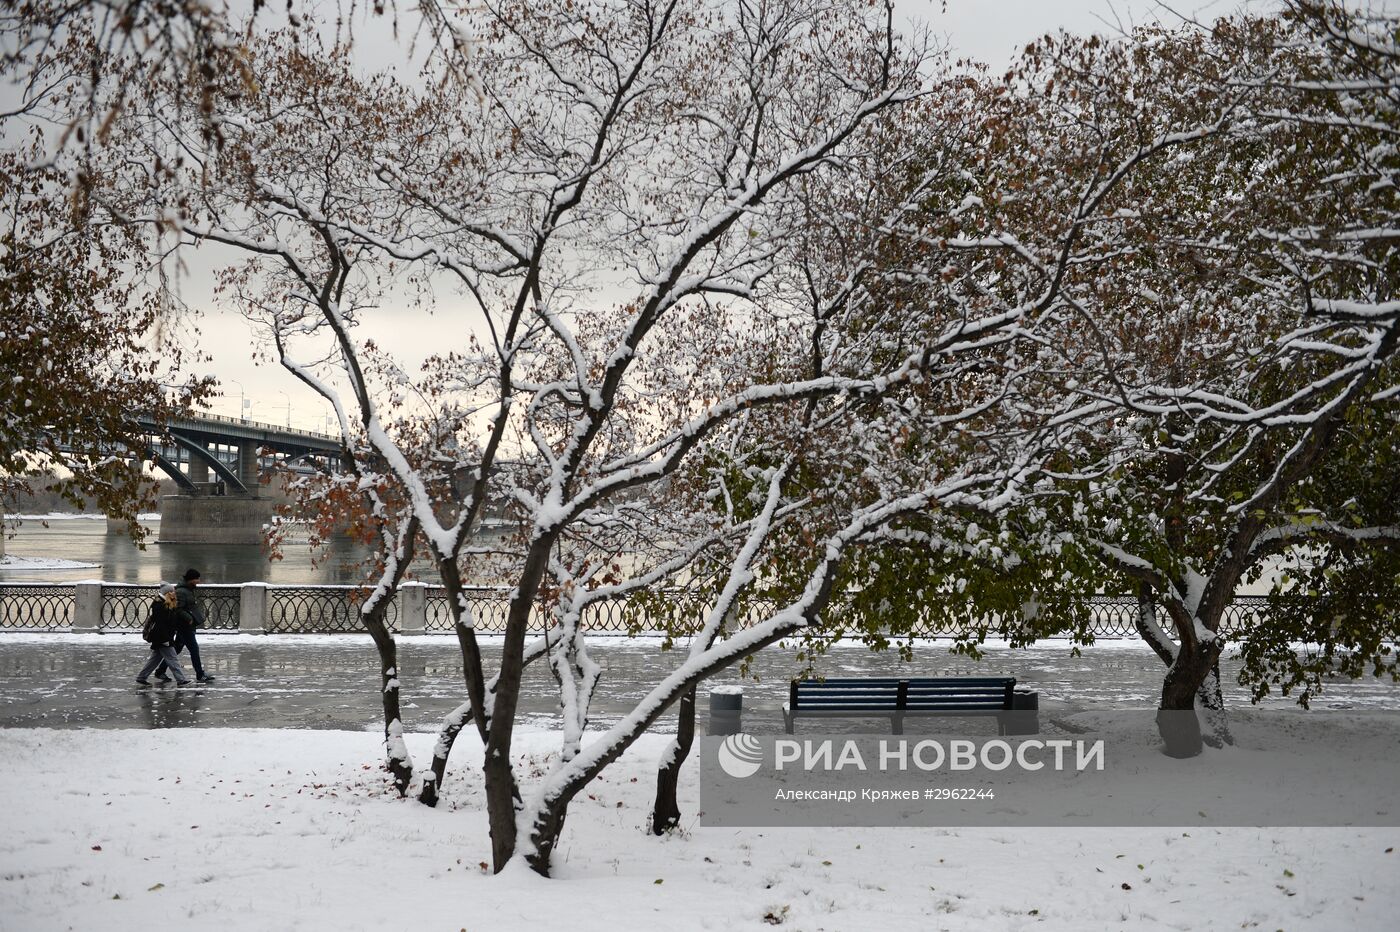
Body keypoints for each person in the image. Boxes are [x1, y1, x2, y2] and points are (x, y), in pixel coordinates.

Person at [156, 568, 216, 683]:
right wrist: (189, 618)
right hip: (184, 626)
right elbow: (178, 608)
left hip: (186, 625)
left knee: (177, 649)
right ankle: (200, 674)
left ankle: (160, 671)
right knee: (194, 649)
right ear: (191, 579)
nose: (199, 581)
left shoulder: (188, 589)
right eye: (197, 579)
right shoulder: (182, 591)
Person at [136, 584, 192, 687]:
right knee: (172, 659)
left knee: (154, 659)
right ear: (167, 593)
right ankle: (181, 680)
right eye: (173, 592)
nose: (175, 593)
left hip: (163, 637)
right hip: (162, 637)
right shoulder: (159, 605)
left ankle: (141, 677)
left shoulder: (167, 604)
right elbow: (160, 625)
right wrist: (166, 639)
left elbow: (170, 622)